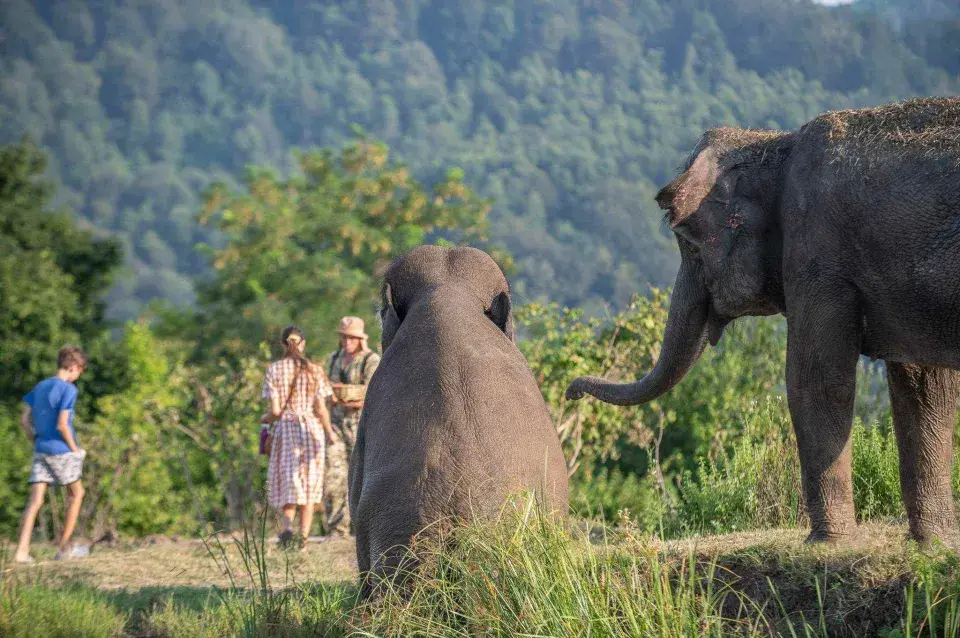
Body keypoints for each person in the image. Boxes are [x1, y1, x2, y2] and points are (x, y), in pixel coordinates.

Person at [261, 325, 337, 550]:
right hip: (311, 430)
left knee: (288, 479)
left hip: (286, 429)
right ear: (302, 343)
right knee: (310, 483)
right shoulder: (315, 370)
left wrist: (264, 419)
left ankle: (287, 529)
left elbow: (275, 411)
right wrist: (330, 433)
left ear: (283, 344)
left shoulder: (274, 370)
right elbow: (321, 408)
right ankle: (302, 539)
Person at [15, 346, 89, 564]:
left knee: (36, 499)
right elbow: (63, 424)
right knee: (77, 494)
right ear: (73, 367)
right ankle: (63, 550)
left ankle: (21, 551)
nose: (78, 377)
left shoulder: (40, 386)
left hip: (41, 448)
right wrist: (76, 450)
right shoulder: (68, 390)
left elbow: (24, 421)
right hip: (61, 450)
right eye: (79, 372)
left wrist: (35, 440)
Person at [324, 316, 380, 536]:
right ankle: (337, 529)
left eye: (352, 337)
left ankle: (364, 530)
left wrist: (348, 397)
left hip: (360, 424)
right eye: (344, 337)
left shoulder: (370, 359)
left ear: (360, 339)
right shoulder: (334, 358)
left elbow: (372, 390)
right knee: (334, 474)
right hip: (336, 423)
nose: (347, 341)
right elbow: (325, 387)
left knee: (363, 476)